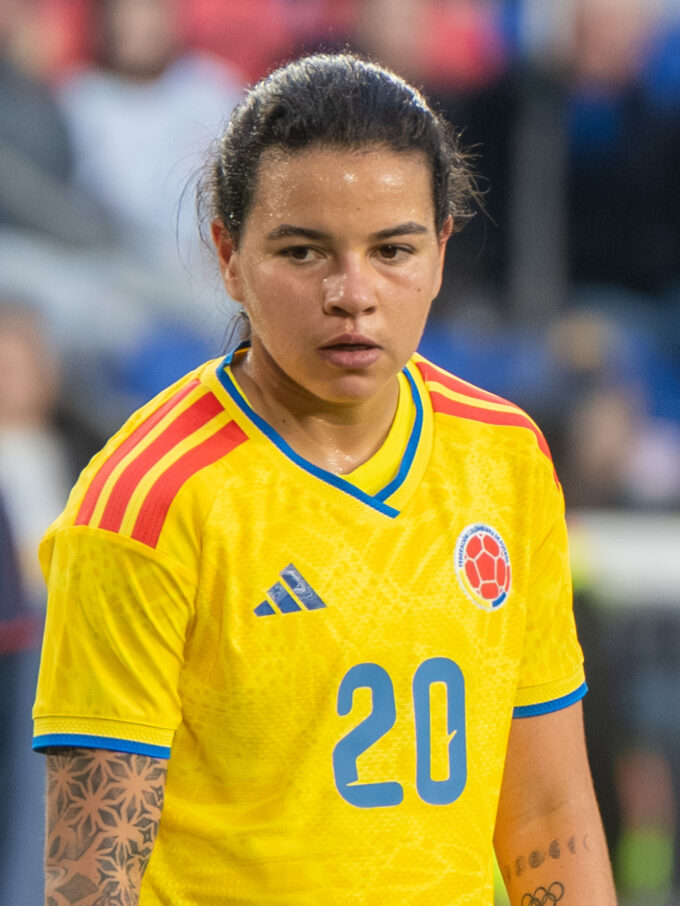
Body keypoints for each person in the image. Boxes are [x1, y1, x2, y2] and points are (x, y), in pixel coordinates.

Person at [32, 52, 617, 904]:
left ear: (442, 251)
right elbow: (92, 880)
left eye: (393, 250)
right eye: (304, 251)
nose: (353, 293)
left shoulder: (504, 457)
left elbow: (547, 814)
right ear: (229, 256)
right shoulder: (145, 502)